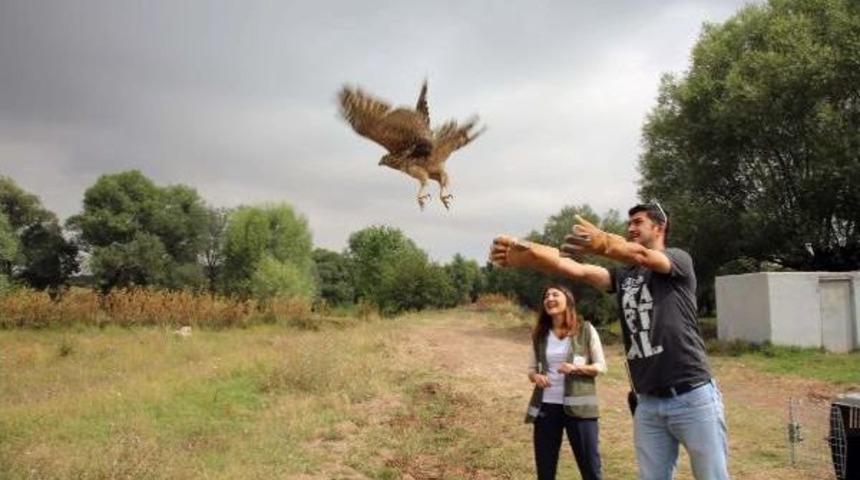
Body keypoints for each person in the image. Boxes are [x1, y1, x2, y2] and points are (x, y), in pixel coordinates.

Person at [491, 203, 729, 480]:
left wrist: (604, 242)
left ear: (659, 226)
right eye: (628, 223)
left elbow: (642, 255)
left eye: (638, 222)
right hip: (648, 403)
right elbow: (577, 270)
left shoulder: (677, 261)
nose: (630, 228)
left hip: (692, 394)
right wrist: (531, 255)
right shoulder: (624, 276)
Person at [526, 284, 606, 480]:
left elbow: (601, 366)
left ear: (568, 300)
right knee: (545, 469)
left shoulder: (585, 329)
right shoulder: (540, 335)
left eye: (555, 294)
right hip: (547, 408)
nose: (549, 298)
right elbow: (531, 369)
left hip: (581, 410)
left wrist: (576, 368)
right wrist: (536, 377)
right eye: (546, 296)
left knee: (590, 467)